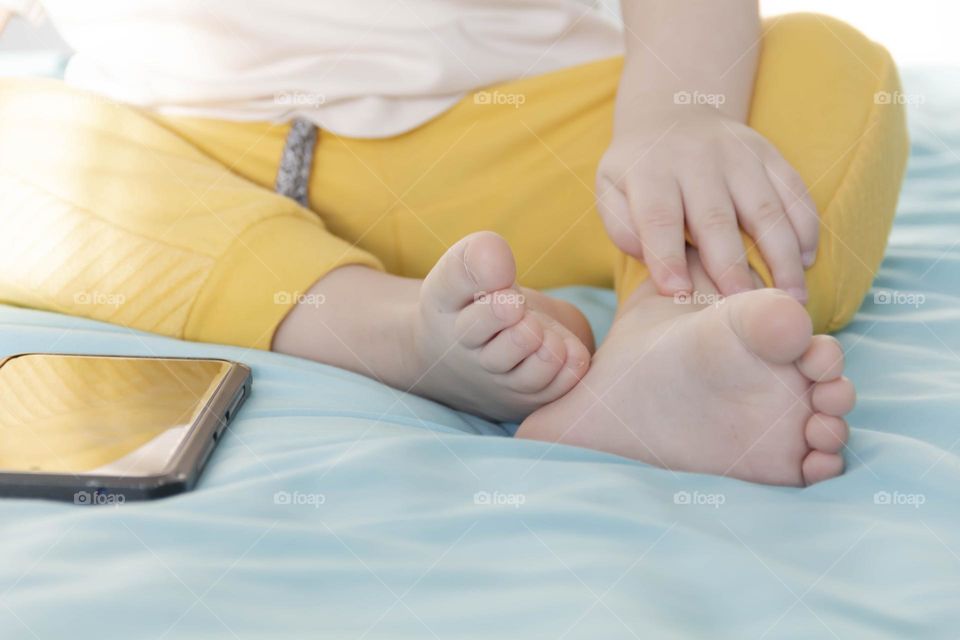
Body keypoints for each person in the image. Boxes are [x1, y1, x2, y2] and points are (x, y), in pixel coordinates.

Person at [0, 0, 907, 485]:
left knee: (830, 67)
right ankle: (397, 330)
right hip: (191, 163)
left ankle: (673, 325)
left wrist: (671, 119)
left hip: (523, 139)